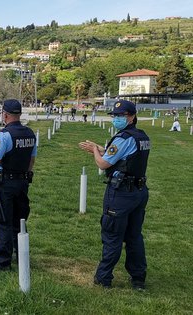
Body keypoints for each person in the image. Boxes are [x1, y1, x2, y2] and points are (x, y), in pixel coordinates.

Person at [78, 100, 150, 290]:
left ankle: (104, 277)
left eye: (121, 116)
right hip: (139, 191)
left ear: (132, 117)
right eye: (115, 116)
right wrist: (102, 149)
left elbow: (103, 164)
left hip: (121, 194)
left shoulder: (123, 137)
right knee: (134, 236)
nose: (117, 119)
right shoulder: (141, 136)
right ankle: (138, 278)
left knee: (112, 235)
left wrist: (95, 151)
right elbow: (124, 158)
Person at [0, 99, 36, 272]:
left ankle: (3, 262)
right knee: (20, 220)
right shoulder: (30, 133)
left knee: (3, 221)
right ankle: (21, 256)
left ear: (5, 114)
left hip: (5, 184)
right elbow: (32, 160)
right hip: (22, 182)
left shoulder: (4, 135)